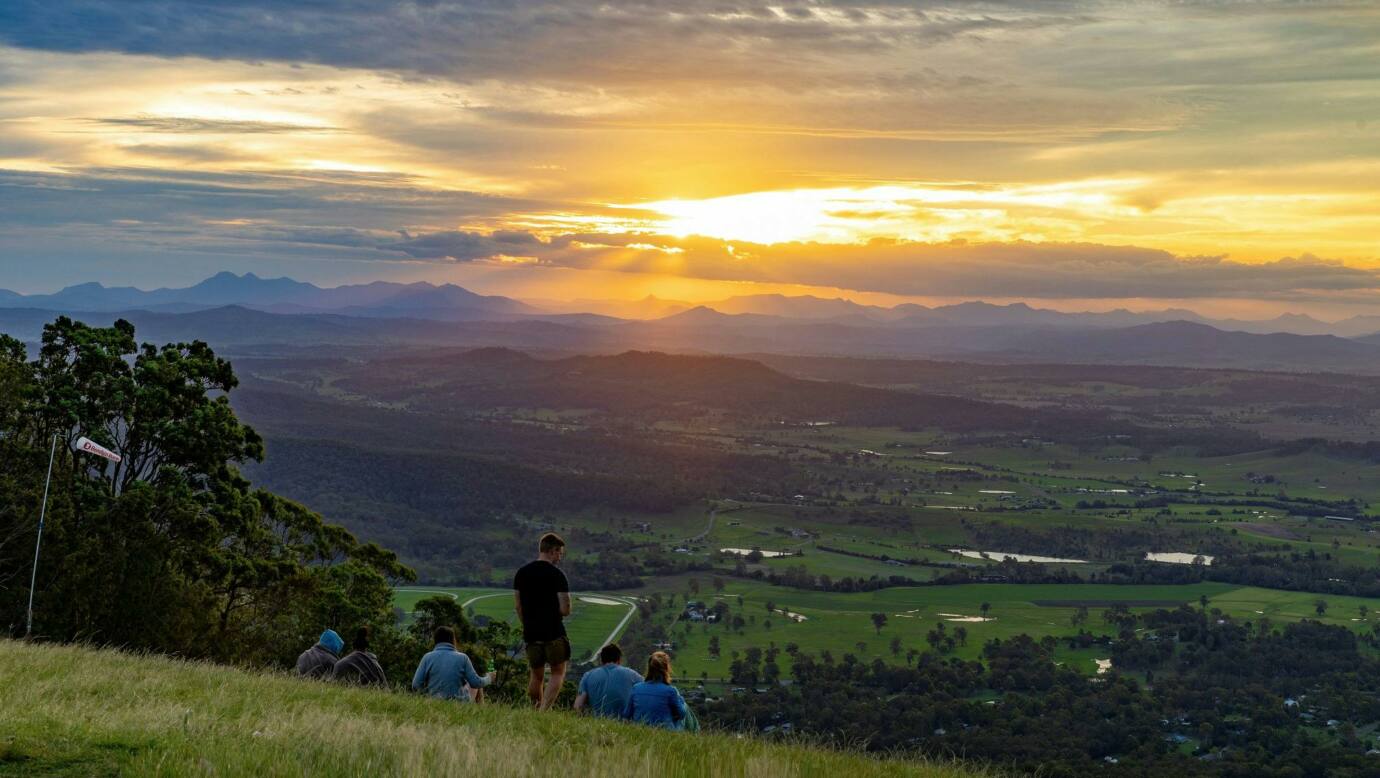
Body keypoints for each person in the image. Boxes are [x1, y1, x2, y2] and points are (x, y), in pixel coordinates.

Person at [513, 532, 571, 709]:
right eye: (559, 553)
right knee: (557, 673)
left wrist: (527, 624)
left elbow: (518, 606)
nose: (560, 557)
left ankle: (535, 708)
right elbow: (565, 609)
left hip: (531, 633)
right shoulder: (557, 575)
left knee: (536, 676)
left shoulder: (521, 573)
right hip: (553, 632)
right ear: (552, 551)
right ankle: (544, 711)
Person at [412, 625, 495, 701]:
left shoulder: (427, 657)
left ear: (436, 640)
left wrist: (427, 696)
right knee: (476, 685)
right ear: (453, 640)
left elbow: (415, 685)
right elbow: (476, 683)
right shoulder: (463, 658)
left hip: (433, 701)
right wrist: (489, 678)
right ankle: (481, 711)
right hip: (458, 703)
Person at [623, 651, 688, 730]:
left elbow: (626, 714)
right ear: (666, 669)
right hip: (665, 732)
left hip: (640, 730)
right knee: (684, 709)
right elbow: (682, 714)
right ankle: (696, 731)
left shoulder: (636, 688)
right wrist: (681, 700)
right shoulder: (670, 691)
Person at [575, 643, 642, 718]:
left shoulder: (588, 676)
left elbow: (578, 706)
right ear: (619, 660)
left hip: (597, 721)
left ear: (601, 660)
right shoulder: (632, 675)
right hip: (625, 721)